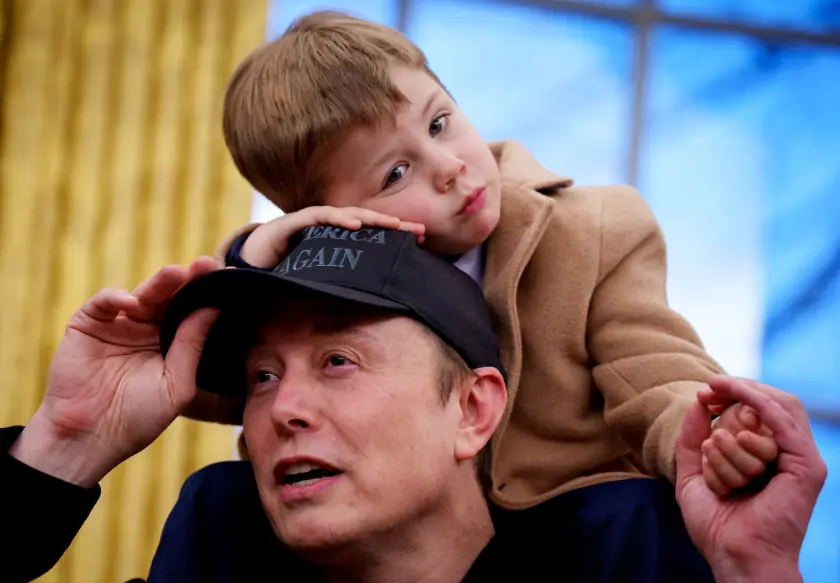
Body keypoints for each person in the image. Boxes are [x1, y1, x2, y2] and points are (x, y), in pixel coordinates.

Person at [0, 230, 837, 583]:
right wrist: (65, 444)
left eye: (339, 361)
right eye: (261, 376)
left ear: (473, 410)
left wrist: (757, 576)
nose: (283, 408)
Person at [212, 10, 779, 509]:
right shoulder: (314, 285)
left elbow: (655, 370)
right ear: (333, 216)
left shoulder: (592, 230)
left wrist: (709, 429)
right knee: (225, 500)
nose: (449, 166)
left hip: (564, 520)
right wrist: (251, 262)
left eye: (439, 123)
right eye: (396, 173)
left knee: (637, 514)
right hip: (404, 541)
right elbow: (215, 386)